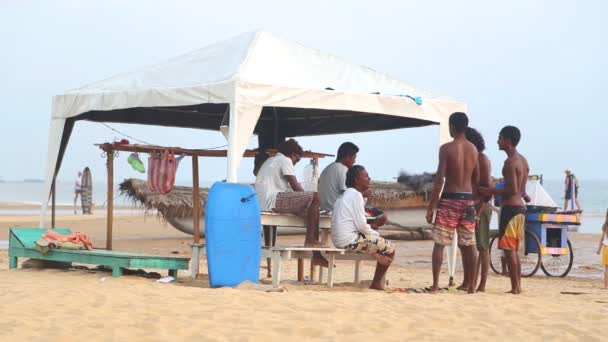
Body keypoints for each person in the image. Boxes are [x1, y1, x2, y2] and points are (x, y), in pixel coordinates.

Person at [426, 112, 479, 294]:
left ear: (452, 127)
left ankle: (435, 284)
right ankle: (472, 285)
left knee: (440, 243)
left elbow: (440, 179)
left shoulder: (446, 149)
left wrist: (432, 205)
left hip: (450, 198)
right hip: (468, 200)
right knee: (469, 243)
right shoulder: (473, 149)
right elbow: (476, 179)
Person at [254, 139, 327, 267]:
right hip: (273, 200)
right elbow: (296, 187)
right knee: (315, 198)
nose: (295, 164)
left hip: (262, 203)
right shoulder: (285, 160)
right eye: (297, 160)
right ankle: (310, 240)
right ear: (293, 155)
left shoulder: (270, 160)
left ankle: (317, 254)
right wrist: (309, 199)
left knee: (312, 209)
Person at [479, 126, 529, 294]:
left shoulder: (510, 162)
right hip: (520, 208)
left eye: (500, 138)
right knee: (513, 250)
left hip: (511, 208)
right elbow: (521, 190)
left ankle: (515, 287)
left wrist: (491, 190)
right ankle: (517, 286)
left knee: (509, 251)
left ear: (508, 140)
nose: (497, 141)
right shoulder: (523, 160)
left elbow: (513, 190)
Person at [331, 165, 395, 290]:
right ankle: (376, 283)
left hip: (338, 240)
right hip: (349, 241)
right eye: (365, 176)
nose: (369, 178)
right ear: (356, 180)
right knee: (391, 248)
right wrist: (375, 232)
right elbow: (361, 226)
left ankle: (375, 252)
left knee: (375, 240)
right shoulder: (356, 196)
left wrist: (372, 231)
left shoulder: (344, 196)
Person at [455, 128, 493, 292]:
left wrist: (477, 213)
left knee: (482, 246)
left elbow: (487, 190)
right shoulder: (469, 158)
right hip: (468, 205)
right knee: (465, 245)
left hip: (480, 207)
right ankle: (467, 281)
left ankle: (481, 284)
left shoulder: (482, 159)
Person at [319, 142, 359, 212]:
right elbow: (348, 196)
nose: (354, 161)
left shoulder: (327, 168)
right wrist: (363, 194)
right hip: (335, 211)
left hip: (323, 210)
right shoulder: (343, 169)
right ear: (347, 157)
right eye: (354, 158)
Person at [596, 209, 608, 289]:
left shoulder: (605, 225)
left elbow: (602, 238)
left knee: (606, 268)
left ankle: (606, 286)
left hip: (606, 247)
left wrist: (598, 249)